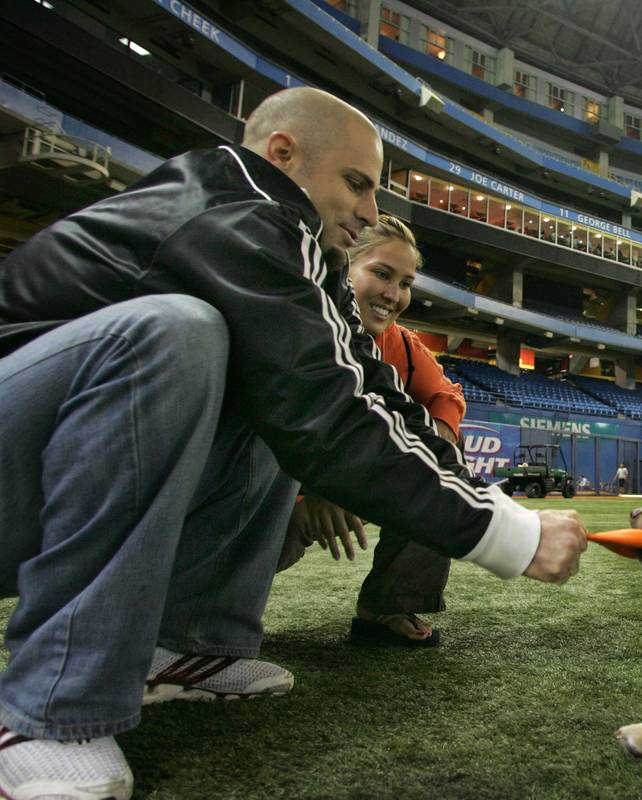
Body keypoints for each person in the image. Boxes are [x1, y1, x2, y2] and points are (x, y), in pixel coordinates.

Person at [0, 87, 587, 800]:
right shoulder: (235, 211)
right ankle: (45, 711)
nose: (370, 211)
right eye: (357, 183)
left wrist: (493, 509)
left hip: (36, 476)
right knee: (177, 332)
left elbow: (372, 394)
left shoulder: (295, 250)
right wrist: (507, 536)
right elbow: (323, 411)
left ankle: (191, 644)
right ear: (282, 153)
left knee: (253, 375)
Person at [278, 215, 464, 646]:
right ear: (344, 265)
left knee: (442, 471)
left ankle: (389, 605)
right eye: (381, 273)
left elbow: (446, 398)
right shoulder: (299, 317)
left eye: (405, 282)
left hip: (346, 478)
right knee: (271, 531)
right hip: (283, 483)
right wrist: (314, 487)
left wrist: (428, 450)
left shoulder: (400, 344)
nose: (393, 295)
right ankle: (187, 613)